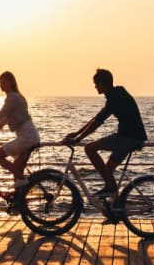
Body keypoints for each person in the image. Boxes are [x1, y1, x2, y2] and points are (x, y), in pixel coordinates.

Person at [63, 68, 147, 197]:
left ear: (103, 83)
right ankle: (115, 207)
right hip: (133, 137)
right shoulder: (117, 94)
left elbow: (98, 121)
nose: (95, 87)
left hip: (127, 138)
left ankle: (111, 188)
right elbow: (96, 118)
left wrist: (78, 139)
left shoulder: (115, 98)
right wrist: (77, 133)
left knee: (89, 148)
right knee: (107, 171)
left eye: (96, 84)